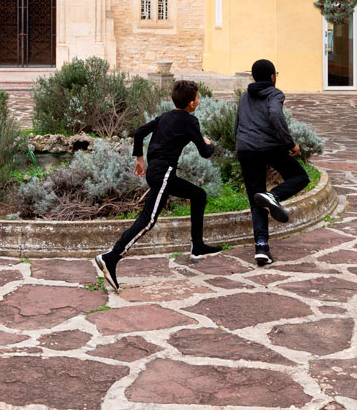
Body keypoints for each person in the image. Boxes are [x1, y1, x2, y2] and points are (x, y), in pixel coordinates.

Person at [94, 80, 219, 292]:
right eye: (197, 97)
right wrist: (208, 143)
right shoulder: (190, 121)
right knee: (148, 220)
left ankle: (197, 246)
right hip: (164, 174)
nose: (198, 101)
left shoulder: (164, 117)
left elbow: (139, 133)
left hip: (156, 172)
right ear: (191, 103)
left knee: (199, 195)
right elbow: (205, 153)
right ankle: (111, 257)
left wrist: (139, 160)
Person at [235, 58, 310, 266]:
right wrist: (290, 144)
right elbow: (276, 114)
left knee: (256, 200)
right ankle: (273, 195)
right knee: (300, 177)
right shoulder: (274, 93)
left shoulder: (245, 97)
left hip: (246, 149)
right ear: (272, 77)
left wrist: (240, 148)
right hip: (269, 147)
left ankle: (261, 247)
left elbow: (237, 123)